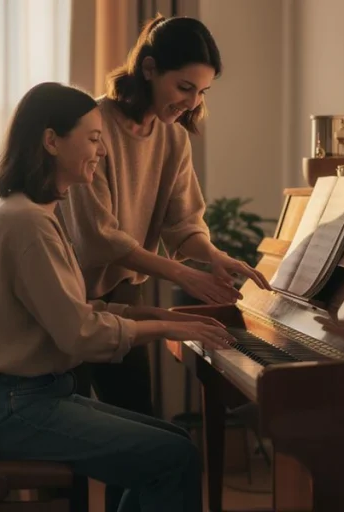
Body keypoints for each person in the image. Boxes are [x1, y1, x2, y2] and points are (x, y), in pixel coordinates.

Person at [0, 82, 235, 512]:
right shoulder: (28, 223)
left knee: (174, 442)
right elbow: (80, 334)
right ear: (51, 141)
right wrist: (166, 327)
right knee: (175, 458)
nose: (102, 152)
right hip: (7, 407)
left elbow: (76, 309)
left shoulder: (33, 212)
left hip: (17, 399)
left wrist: (159, 313)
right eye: (94, 138)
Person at [56, 12, 272, 474]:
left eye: (202, 92)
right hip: (66, 297)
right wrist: (181, 273)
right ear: (149, 69)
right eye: (184, 87)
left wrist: (213, 256)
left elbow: (183, 225)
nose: (192, 103)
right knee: (77, 447)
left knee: (138, 433)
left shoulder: (173, 139)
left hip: (123, 296)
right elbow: (98, 238)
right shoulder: (94, 126)